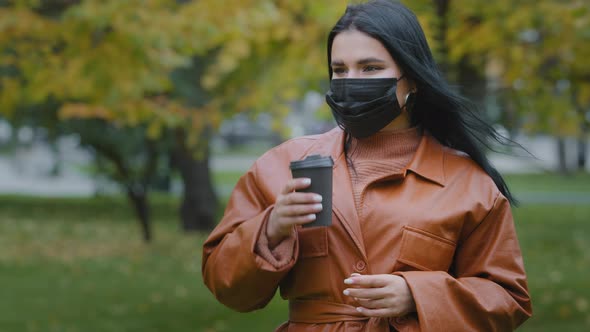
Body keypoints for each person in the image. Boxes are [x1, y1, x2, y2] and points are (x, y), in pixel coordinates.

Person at [202, 0, 532, 331]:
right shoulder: (283, 166)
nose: (351, 81)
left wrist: (417, 295)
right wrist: (271, 227)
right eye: (340, 70)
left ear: (413, 79)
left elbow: (507, 299)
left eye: (370, 68)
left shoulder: (468, 182)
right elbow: (226, 286)